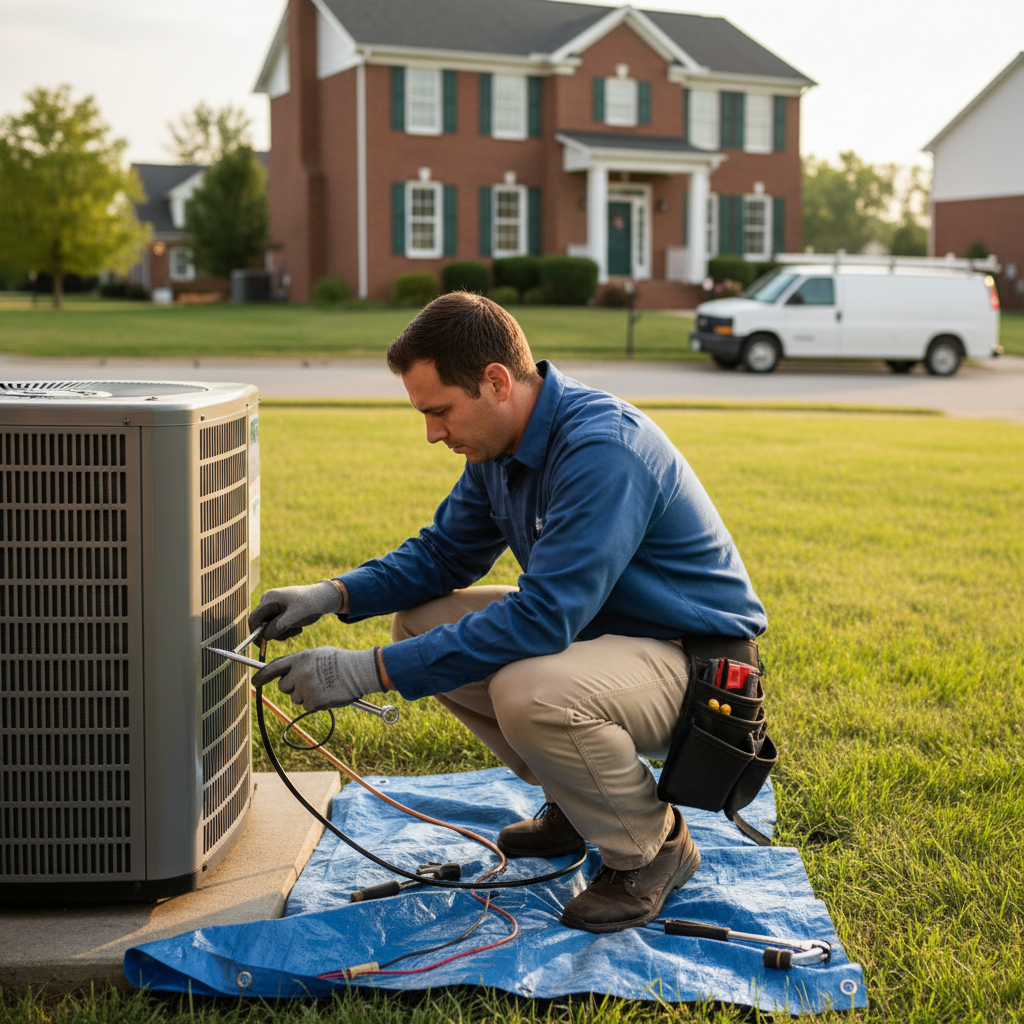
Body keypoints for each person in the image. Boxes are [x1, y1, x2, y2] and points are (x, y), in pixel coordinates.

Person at [250, 291, 766, 934]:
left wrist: (368, 672)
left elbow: (543, 619)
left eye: (439, 411)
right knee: (421, 620)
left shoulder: (603, 448)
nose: (433, 433)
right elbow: (442, 556)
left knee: (529, 691)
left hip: (697, 668)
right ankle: (579, 802)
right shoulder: (503, 446)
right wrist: (332, 595)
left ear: (496, 381)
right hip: (607, 638)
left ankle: (651, 846)